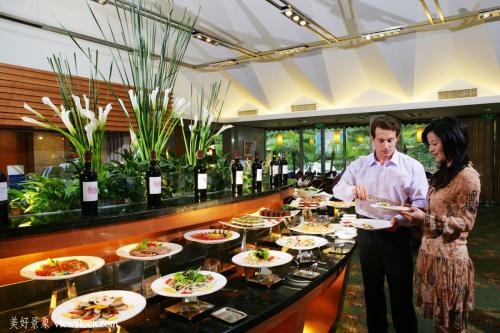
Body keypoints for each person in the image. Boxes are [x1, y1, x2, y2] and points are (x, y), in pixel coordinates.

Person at [332, 115, 428, 333]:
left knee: (401, 294)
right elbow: (339, 189)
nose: (386, 146)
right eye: (381, 141)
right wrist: (353, 191)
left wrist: (402, 219)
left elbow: (421, 203)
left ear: (397, 139)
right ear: (372, 139)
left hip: (397, 233)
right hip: (367, 233)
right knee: (372, 292)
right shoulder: (360, 165)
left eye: (391, 140)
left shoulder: (412, 166)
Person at [401, 117, 480, 333]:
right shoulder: (443, 172)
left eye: (435, 143)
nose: (431, 149)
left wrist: (424, 218)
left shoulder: (467, 176)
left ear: (451, 140)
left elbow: (465, 222)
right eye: (430, 144)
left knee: (452, 325)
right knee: (440, 322)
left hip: (450, 261)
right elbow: (439, 212)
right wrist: (416, 213)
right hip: (431, 255)